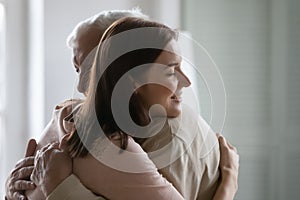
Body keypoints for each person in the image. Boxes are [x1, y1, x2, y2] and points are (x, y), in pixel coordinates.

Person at [4, 10, 239, 200]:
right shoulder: (74, 119)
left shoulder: (166, 134)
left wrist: (59, 187)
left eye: (96, 65)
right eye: (79, 69)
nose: (81, 85)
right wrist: (13, 188)